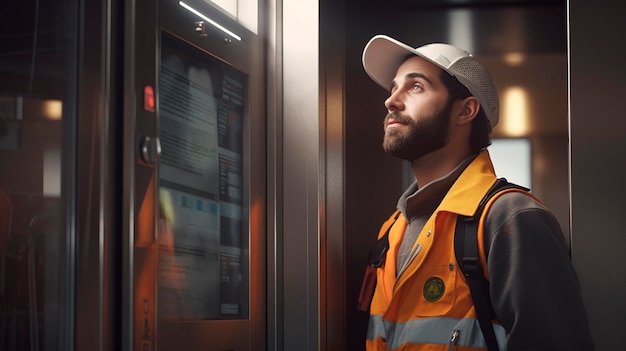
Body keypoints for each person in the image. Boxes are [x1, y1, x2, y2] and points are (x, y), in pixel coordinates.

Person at [359, 35, 595, 351]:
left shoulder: (510, 218)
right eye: (393, 88)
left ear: (466, 110)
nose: (391, 101)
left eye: (415, 87)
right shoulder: (391, 230)